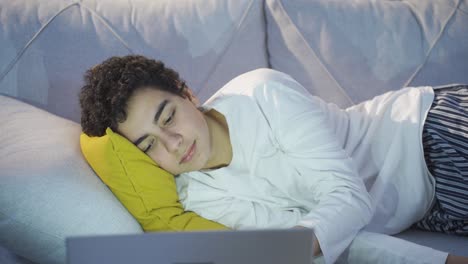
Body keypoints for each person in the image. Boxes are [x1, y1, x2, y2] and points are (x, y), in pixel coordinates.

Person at [79, 55, 468, 264]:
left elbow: (348, 197)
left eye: (168, 117)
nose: (174, 143)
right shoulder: (199, 198)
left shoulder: (261, 93)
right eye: (149, 145)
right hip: (426, 208)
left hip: (425, 131)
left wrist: (283, 250)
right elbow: (334, 240)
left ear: (188, 94)